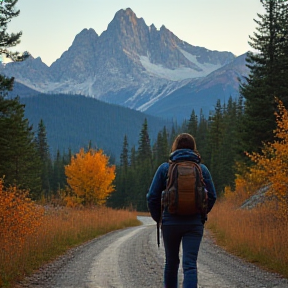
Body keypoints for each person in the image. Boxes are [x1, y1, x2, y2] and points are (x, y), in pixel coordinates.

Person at [146, 133, 216, 288]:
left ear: (175, 147)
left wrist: (159, 217)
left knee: (171, 263)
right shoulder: (202, 169)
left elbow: (152, 196)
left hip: (170, 223)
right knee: (190, 265)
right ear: (193, 148)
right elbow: (212, 196)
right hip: (194, 223)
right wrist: (201, 214)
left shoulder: (165, 168)